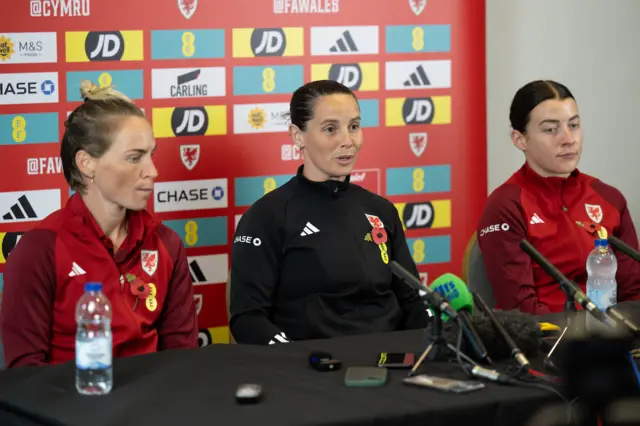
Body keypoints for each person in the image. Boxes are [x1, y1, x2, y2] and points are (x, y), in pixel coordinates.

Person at [0, 81, 199, 368]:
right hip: (66, 408)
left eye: (151, 155)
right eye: (134, 158)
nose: (153, 171)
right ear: (87, 163)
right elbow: (26, 379)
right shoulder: (39, 249)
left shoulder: (166, 244)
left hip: (154, 407)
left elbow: (182, 362)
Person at [229, 80, 428, 344]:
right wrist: (298, 361)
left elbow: (412, 301)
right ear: (297, 135)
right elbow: (248, 319)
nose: (348, 141)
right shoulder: (267, 217)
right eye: (330, 129)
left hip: (389, 367)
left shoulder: (381, 210)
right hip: (313, 371)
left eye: (354, 127)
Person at [477, 80, 640, 315]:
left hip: (616, 338)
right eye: (550, 129)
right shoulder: (506, 205)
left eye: (573, 125)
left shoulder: (609, 198)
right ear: (520, 139)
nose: (568, 139)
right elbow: (521, 310)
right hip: (551, 343)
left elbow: (633, 294)